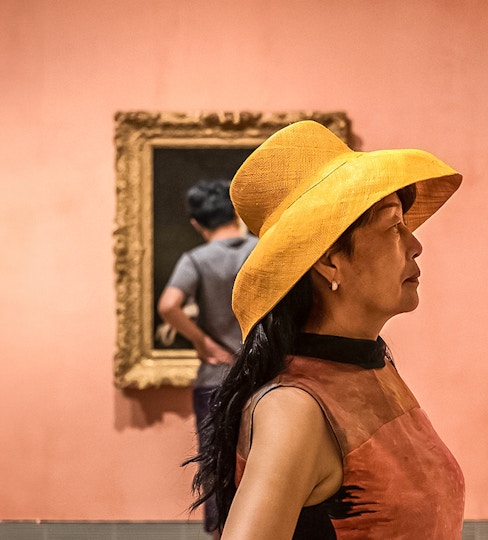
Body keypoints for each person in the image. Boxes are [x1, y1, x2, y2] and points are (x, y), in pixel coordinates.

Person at [187, 120, 464, 539]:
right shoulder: (294, 409)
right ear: (330, 262)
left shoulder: (368, 367)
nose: (415, 243)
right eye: (393, 226)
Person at [158, 178, 257, 539]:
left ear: (197, 224)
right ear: (235, 213)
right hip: (262, 375)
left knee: (215, 463)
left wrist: (203, 343)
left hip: (214, 378)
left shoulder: (196, 259)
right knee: (263, 460)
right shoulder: (261, 249)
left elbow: (168, 305)